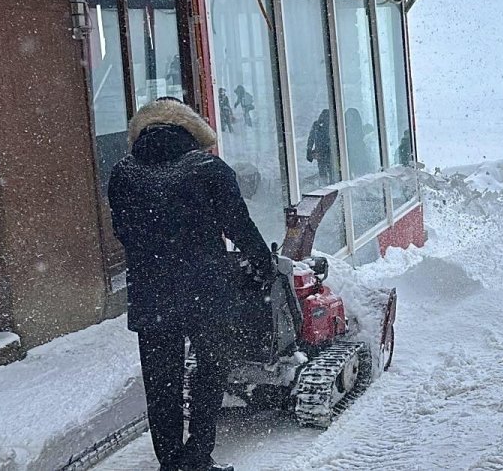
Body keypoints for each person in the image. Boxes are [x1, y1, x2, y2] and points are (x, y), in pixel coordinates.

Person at [108, 97, 274, 471]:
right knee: (209, 373)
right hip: (207, 291)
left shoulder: (123, 173)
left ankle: (170, 462)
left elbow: (122, 231)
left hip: (151, 294)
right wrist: (264, 265)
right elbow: (239, 227)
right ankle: (198, 456)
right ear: (190, 133)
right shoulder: (209, 168)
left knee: (161, 384)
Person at [306, 109, 336, 185]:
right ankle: (326, 186)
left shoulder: (323, 125)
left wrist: (309, 150)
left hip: (327, 152)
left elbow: (311, 138)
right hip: (323, 152)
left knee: (328, 170)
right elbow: (311, 138)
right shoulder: (318, 125)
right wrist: (309, 150)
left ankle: (328, 185)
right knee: (326, 171)